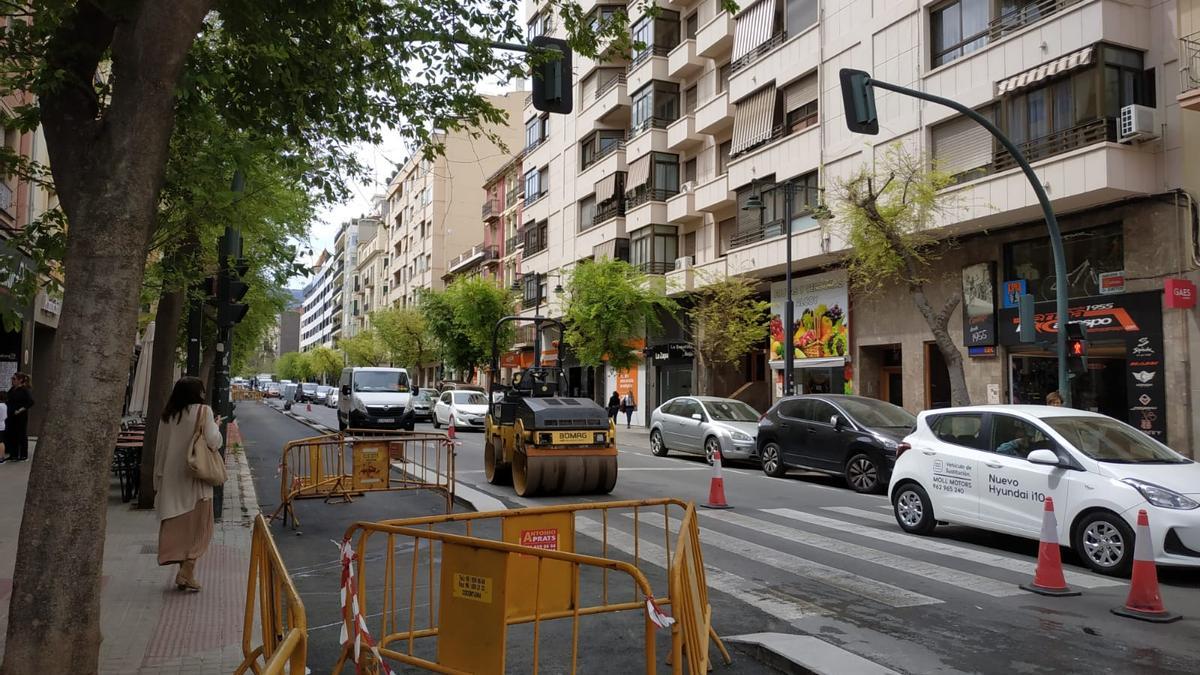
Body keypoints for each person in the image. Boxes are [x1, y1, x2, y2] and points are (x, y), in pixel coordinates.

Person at [153, 376, 222, 592]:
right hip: (195, 478)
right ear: (197, 393)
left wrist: (158, 478)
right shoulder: (204, 411)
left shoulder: (168, 415)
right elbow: (213, 441)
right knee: (200, 528)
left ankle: (186, 573)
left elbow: (160, 448)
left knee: (180, 528)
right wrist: (217, 426)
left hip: (172, 479)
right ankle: (187, 571)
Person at [4, 373, 33, 462]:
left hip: (20, 416)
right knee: (12, 434)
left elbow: (30, 402)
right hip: (11, 415)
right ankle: (13, 454)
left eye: (14, 379)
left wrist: (20, 410)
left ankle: (23, 455)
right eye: (12, 379)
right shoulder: (13, 389)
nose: (12, 381)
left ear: (20, 380)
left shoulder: (24, 390)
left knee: (21, 434)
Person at [0, 391, 7, 462]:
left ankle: (1, 457)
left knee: (0, 442)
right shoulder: (4, 405)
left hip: (0, 426)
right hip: (2, 424)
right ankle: (1, 456)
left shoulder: (0, 406)